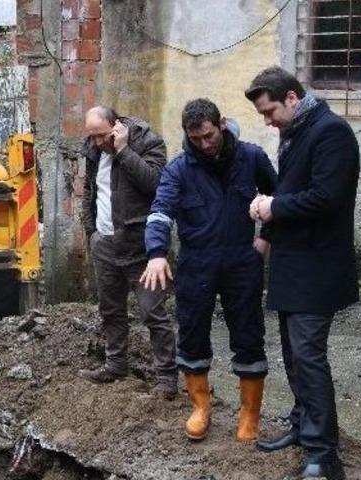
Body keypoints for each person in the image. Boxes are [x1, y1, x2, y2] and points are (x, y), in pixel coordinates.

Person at [245, 66, 360, 480]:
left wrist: (273, 207)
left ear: (292, 98)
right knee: (293, 355)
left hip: (318, 266)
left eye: (270, 110)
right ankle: (301, 425)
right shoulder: (296, 134)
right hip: (293, 265)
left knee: (309, 357)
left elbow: (326, 197)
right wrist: (266, 234)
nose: (268, 120)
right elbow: (292, 191)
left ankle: (324, 454)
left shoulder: (332, 133)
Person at [141, 99, 277, 442]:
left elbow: (280, 198)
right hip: (196, 264)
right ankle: (201, 408)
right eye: (196, 138)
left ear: (222, 124)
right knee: (193, 334)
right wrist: (157, 253)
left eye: (209, 135)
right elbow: (160, 211)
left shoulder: (251, 158)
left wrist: (265, 241)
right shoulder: (179, 169)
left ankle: (249, 415)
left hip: (241, 263)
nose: (204, 144)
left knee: (248, 335)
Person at [78, 106, 178, 400]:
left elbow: (157, 185)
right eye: (92, 137)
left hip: (142, 246)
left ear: (117, 126)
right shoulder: (94, 147)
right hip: (105, 245)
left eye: (103, 136)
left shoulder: (148, 142)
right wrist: (91, 231)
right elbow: (89, 192)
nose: (98, 143)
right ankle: (116, 364)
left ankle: (167, 378)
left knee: (153, 313)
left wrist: (122, 151)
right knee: (110, 310)